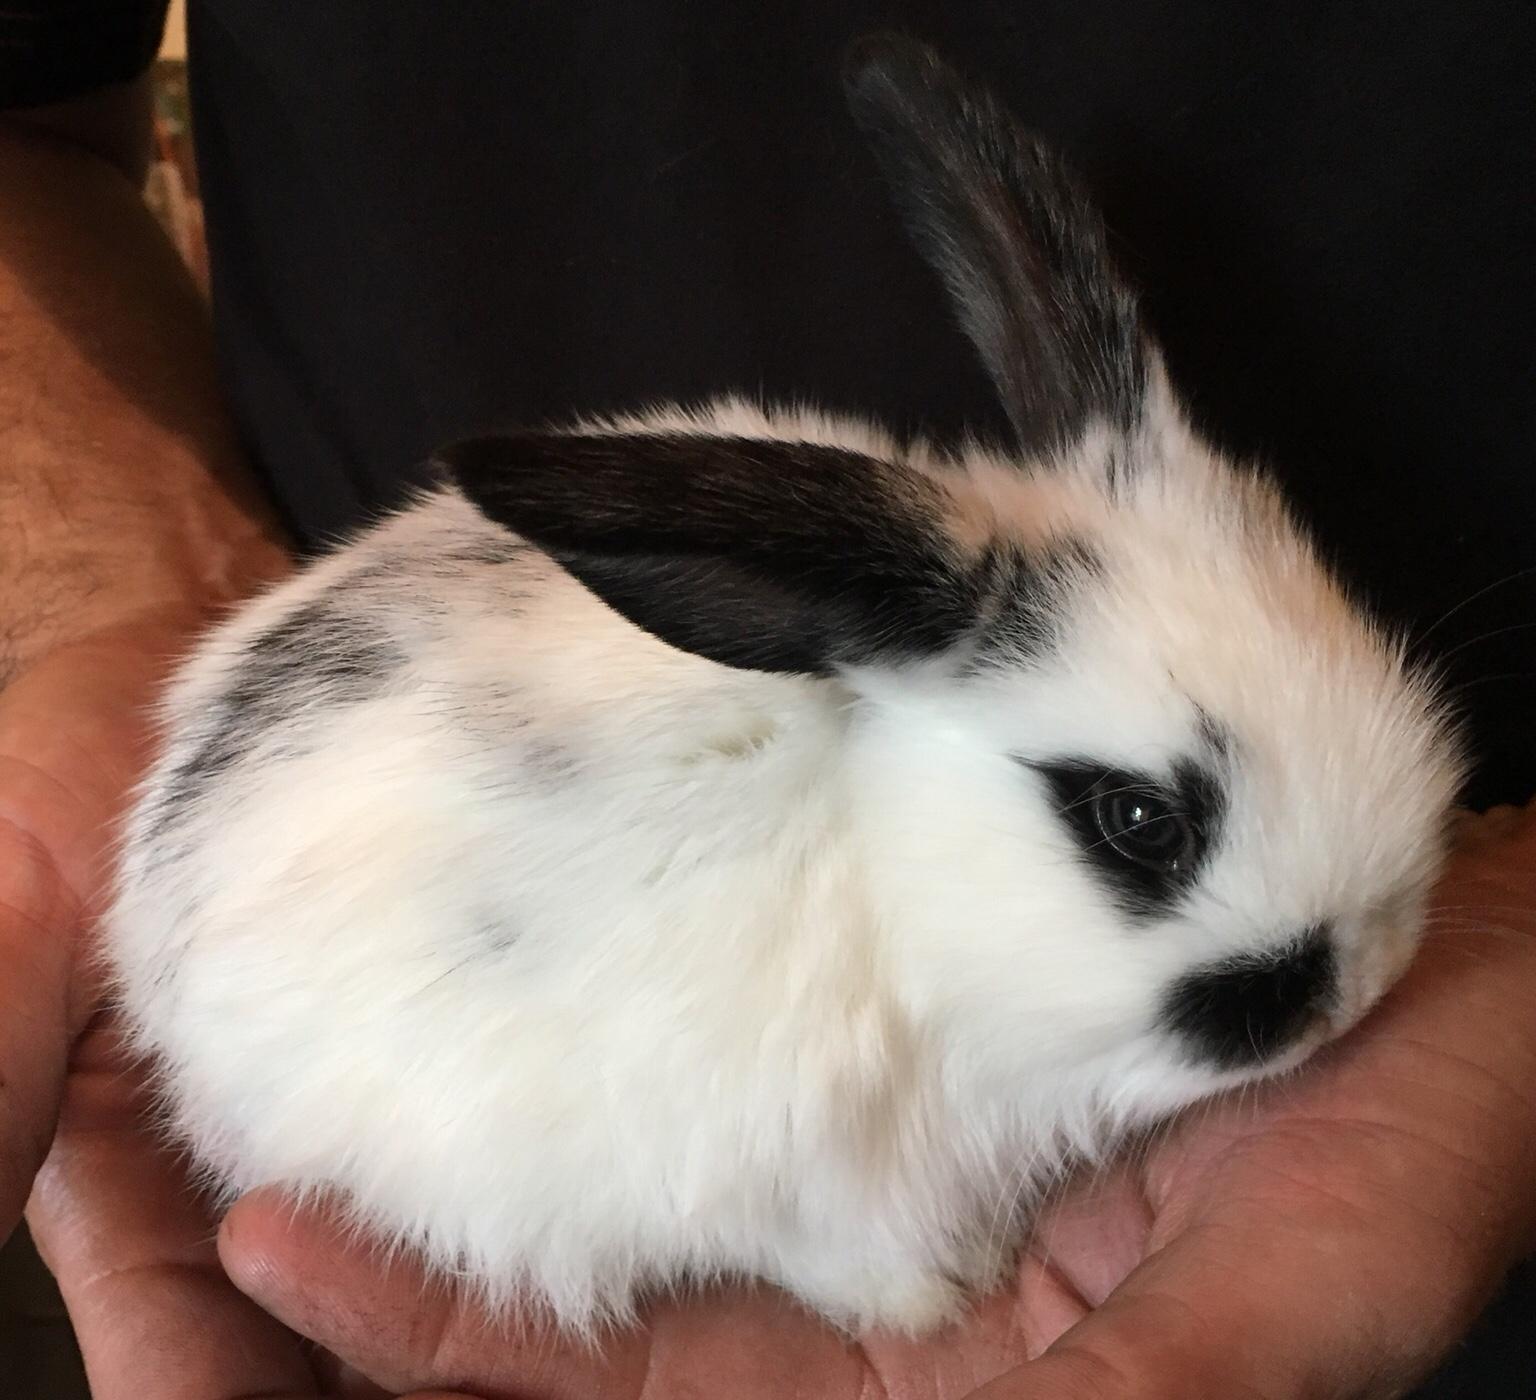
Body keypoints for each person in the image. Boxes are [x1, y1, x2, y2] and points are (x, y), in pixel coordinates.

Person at [3, 3, 1534, 1397]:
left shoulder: (1181, 822)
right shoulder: (827, 921)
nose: (1359, 969)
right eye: (1139, 827)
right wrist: (107, 595)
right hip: (356, 958)